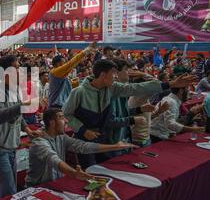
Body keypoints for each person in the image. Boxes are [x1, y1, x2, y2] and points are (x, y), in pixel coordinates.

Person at [63, 59, 197, 168]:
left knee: (104, 171)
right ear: (103, 75)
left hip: (104, 138)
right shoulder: (79, 92)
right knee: (90, 172)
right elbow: (67, 114)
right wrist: (82, 130)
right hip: (85, 140)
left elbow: (136, 88)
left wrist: (170, 83)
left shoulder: (112, 88)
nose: (115, 77)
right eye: (113, 73)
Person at [26, 108, 138, 187]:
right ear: (52, 123)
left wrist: (115, 146)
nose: (66, 121)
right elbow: (53, 159)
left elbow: (83, 146)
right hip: (38, 188)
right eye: (61, 118)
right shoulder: (39, 142)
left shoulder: (61, 137)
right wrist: (74, 173)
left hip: (56, 184)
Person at [0, 55, 41, 198]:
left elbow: (18, 115)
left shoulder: (15, 91)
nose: (19, 71)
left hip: (10, 147)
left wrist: (27, 129)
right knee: (8, 191)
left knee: (7, 189)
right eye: (16, 67)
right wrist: (23, 105)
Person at [48, 43, 95, 109]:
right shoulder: (55, 72)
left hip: (62, 104)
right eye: (64, 62)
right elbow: (71, 64)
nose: (65, 64)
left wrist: (76, 82)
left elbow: (68, 86)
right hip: (56, 106)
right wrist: (87, 50)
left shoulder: (60, 74)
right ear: (58, 63)